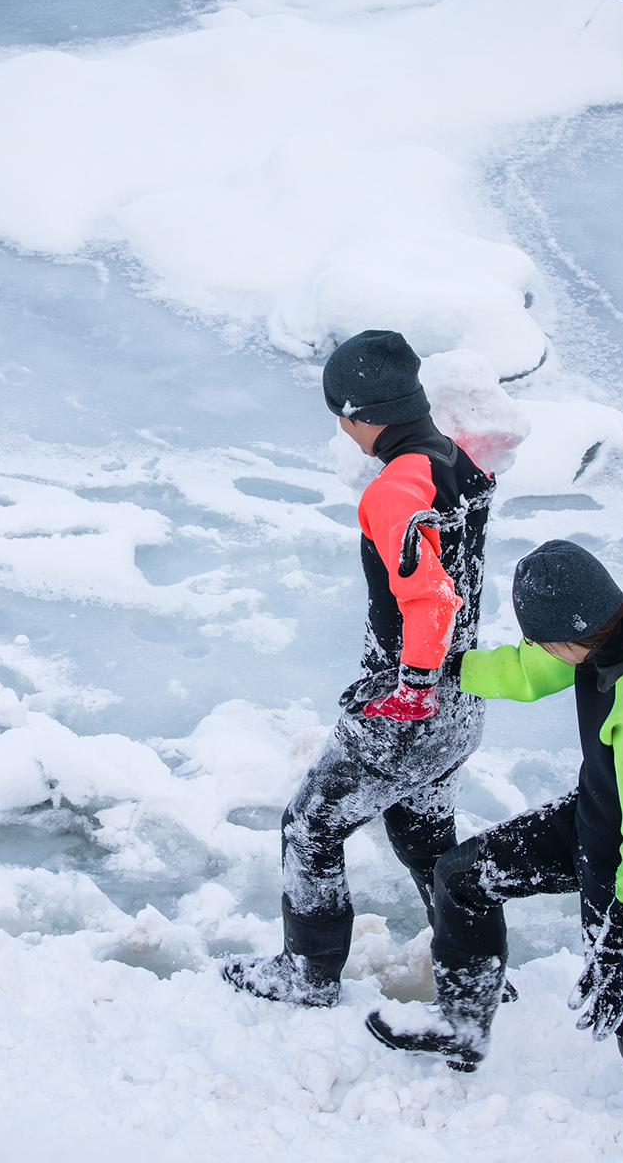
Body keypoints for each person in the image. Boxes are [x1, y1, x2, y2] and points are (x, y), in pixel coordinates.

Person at [366, 539, 623, 1109]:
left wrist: (620, 928)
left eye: (543, 639)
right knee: (461, 878)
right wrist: (441, 670)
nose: (538, 648)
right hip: (590, 822)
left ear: (574, 632)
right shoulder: (605, 637)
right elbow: (526, 673)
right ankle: (464, 1026)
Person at [222, 329, 495, 1008]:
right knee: (425, 836)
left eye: (340, 417)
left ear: (359, 415)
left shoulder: (394, 490)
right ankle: (478, 973)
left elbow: (430, 598)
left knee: (310, 827)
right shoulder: (457, 462)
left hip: (413, 708)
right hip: (466, 701)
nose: (341, 431)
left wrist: (411, 691)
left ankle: (307, 976)